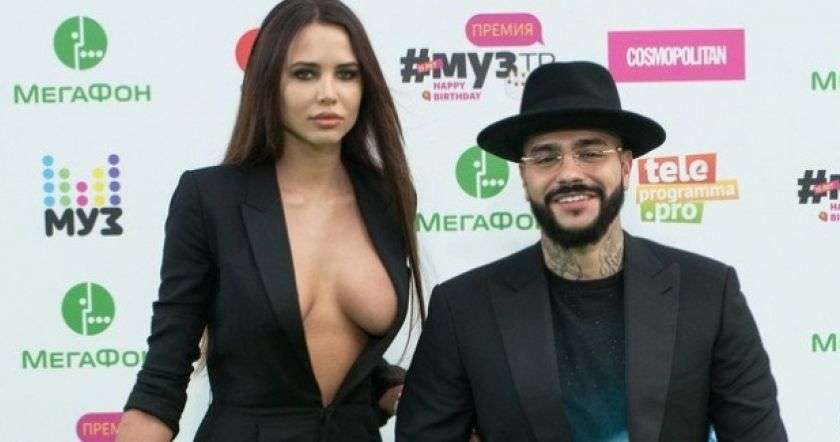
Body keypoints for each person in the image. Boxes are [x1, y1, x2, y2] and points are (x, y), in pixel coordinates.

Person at [396, 61, 787, 442]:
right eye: (545, 157)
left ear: (626, 166)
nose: (569, 173)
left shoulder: (708, 294)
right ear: (524, 177)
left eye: (591, 152)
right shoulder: (463, 311)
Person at [116, 1, 423, 440]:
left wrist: (393, 388)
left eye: (346, 74)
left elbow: (330, 349)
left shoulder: (387, 196)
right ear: (268, 83)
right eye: (305, 73)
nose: (328, 93)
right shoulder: (210, 200)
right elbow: (164, 375)